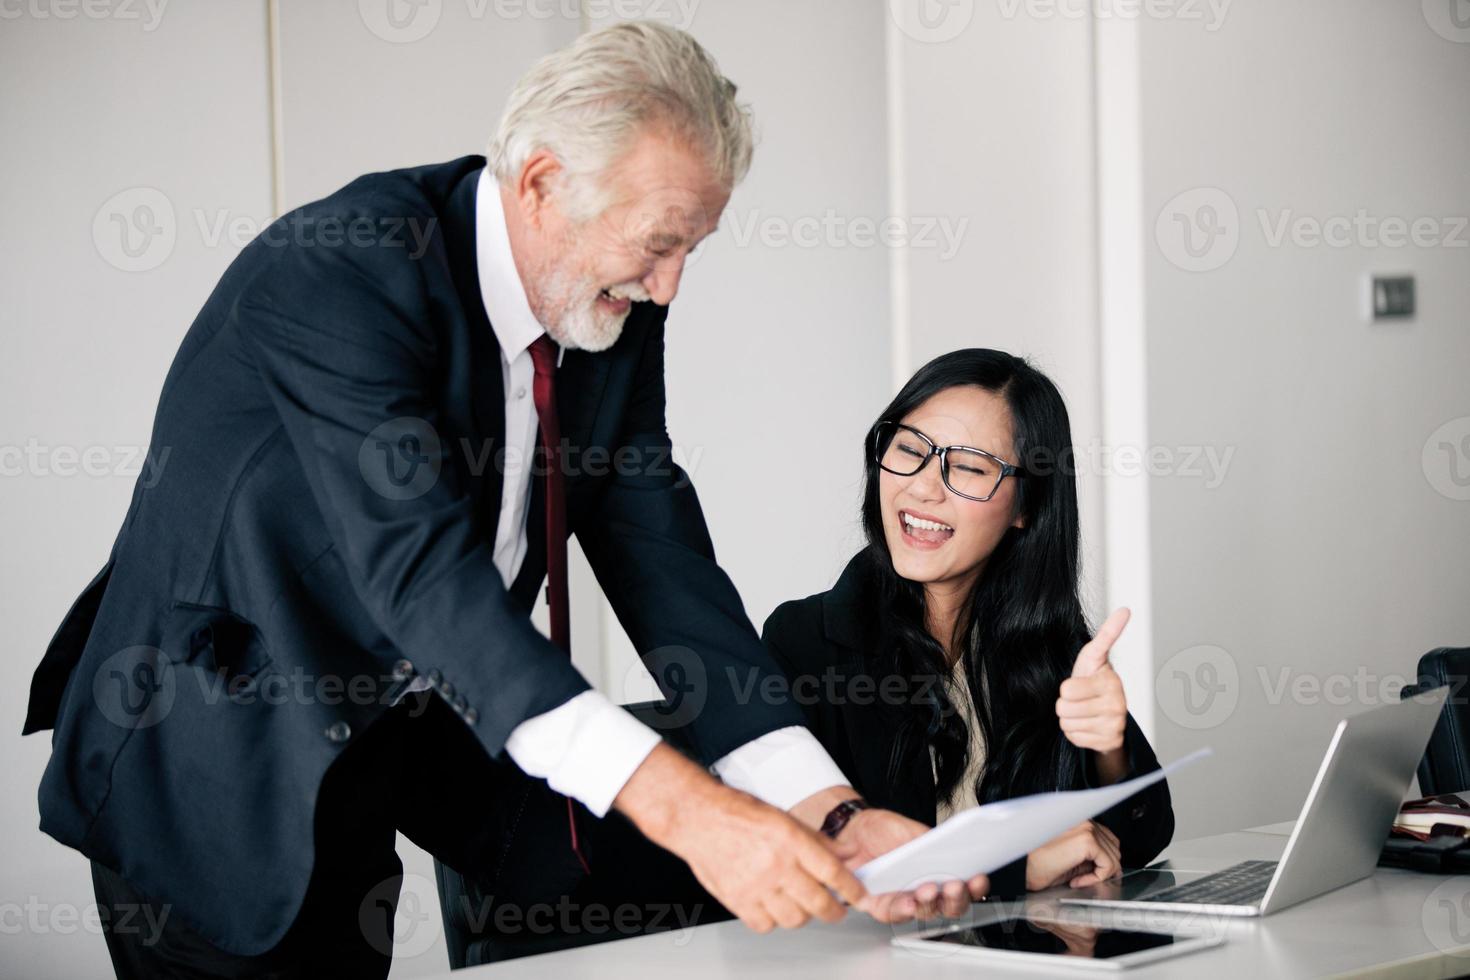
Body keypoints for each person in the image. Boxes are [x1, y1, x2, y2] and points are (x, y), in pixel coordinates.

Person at [22, 23, 975, 978]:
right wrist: (698, 815)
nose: (670, 284)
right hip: (221, 744)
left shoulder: (613, 307)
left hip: (416, 720)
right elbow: (424, 580)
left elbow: (662, 561)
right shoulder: (340, 272)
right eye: (658, 244)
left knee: (690, 880)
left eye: (693, 247)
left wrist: (826, 813)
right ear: (543, 183)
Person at [760, 348, 1175, 916]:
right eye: (909, 450)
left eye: (970, 467)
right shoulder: (807, 640)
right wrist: (1013, 869)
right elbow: (821, 863)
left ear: (1026, 506)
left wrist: (1108, 750)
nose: (926, 488)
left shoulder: (1050, 645)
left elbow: (1143, 841)